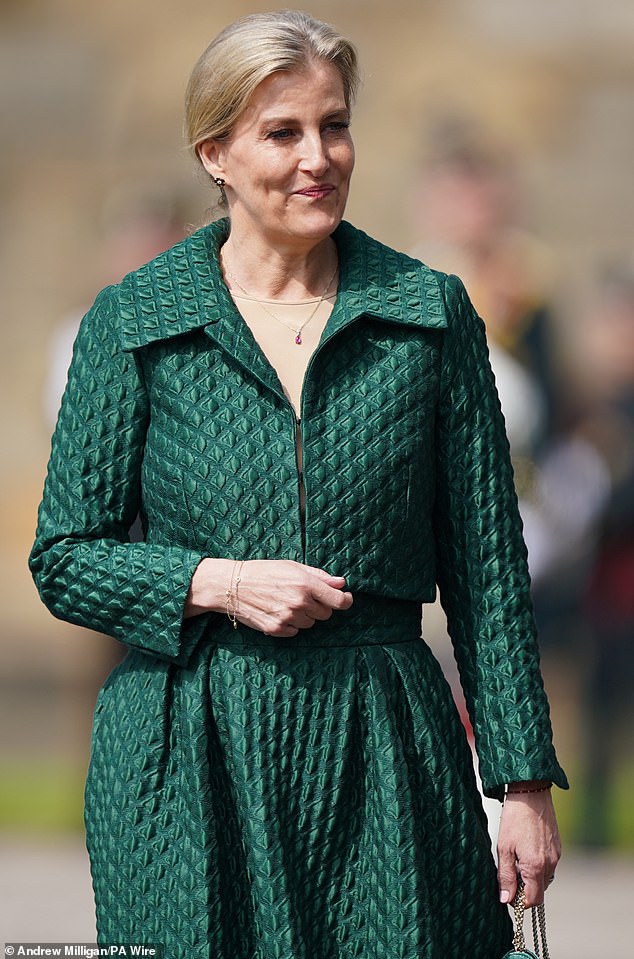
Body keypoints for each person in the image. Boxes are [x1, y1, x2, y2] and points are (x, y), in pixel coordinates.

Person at [29, 11, 567, 958]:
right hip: (186, 753)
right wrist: (221, 582)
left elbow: (489, 570)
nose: (319, 156)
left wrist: (520, 784)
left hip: (386, 746)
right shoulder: (135, 321)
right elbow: (65, 558)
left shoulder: (426, 315)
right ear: (217, 155)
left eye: (335, 124)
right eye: (282, 132)